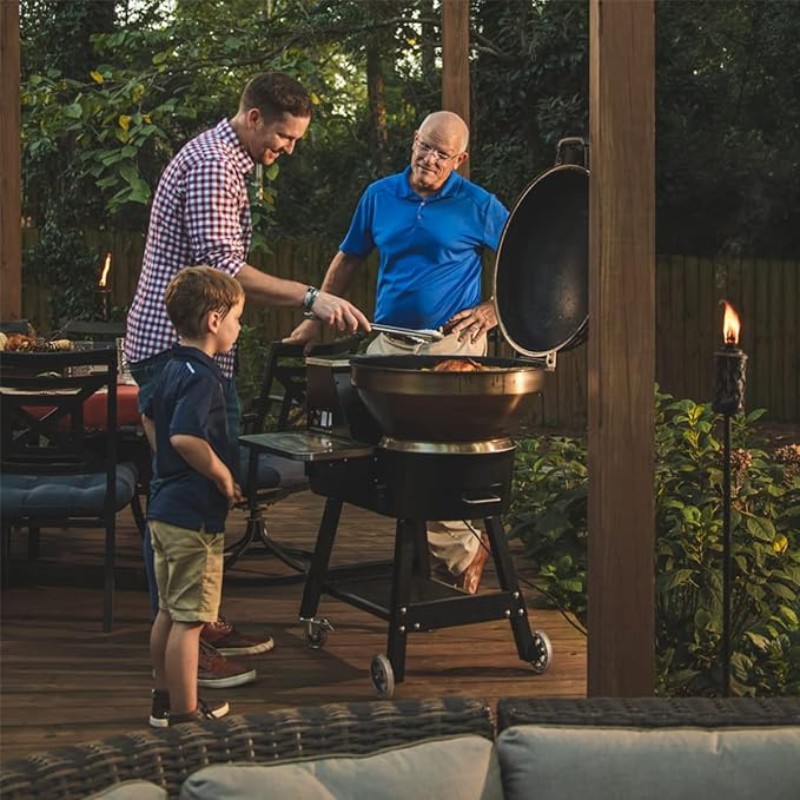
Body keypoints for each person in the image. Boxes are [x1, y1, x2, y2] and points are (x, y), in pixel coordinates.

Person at [125, 71, 371, 689]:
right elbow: (225, 269)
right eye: (284, 136)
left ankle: (196, 621)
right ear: (254, 117)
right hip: (174, 351)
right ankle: (184, 643)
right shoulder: (214, 165)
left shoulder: (231, 160)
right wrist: (312, 298)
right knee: (182, 495)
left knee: (197, 493)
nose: (288, 148)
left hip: (187, 349)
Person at [286, 110, 509, 594]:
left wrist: (494, 310)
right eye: (425, 146)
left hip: (451, 347)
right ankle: (440, 548)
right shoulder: (379, 195)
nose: (430, 159)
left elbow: (523, 263)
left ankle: (461, 551)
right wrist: (314, 318)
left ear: (460, 160)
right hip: (388, 342)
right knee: (366, 441)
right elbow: (348, 257)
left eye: (443, 154)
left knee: (436, 452)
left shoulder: (478, 205)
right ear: (413, 140)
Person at [142, 266, 245, 726]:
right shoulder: (204, 377)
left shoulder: (170, 367)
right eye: (236, 319)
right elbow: (186, 437)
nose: (238, 329)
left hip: (163, 509)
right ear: (213, 320)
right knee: (190, 620)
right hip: (192, 517)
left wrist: (163, 458)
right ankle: (185, 716)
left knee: (167, 611)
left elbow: (148, 415)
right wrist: (222, 475)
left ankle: (163, 701)